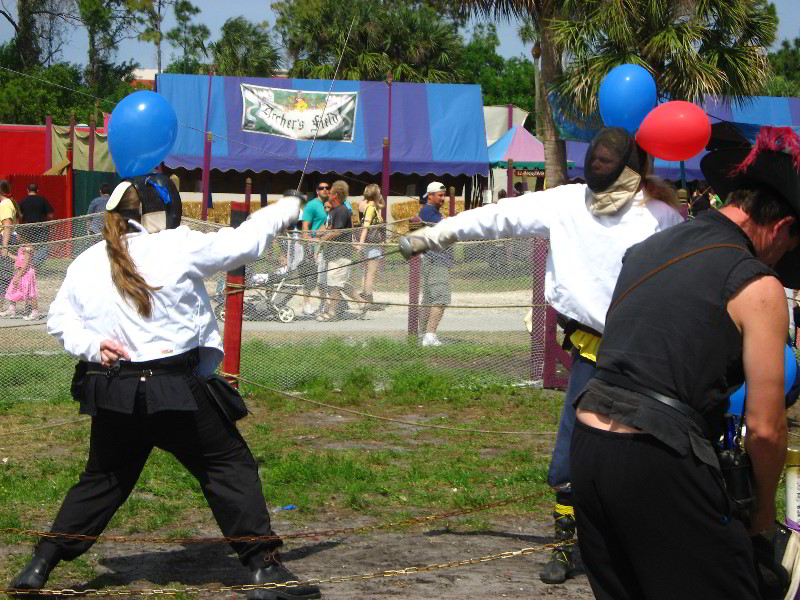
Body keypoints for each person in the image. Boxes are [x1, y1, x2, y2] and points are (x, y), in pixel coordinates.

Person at [8, 176, 321, 600]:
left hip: (115, 390)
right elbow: (246, 243)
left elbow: (59, 320)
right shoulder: (178, 245)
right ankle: (264, 570)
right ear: (161, 213)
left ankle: (41, 562)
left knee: (103, 479)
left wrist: (90, 345)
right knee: (229, 467)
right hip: (174, 391)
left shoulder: (86, 259)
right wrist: (288, 206)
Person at [398, 128, 683, 582]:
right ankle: (568, 545)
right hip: (592, 357)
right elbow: (497, 217)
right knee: (570, 459)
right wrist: (434, 236)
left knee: (643, 455)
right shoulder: (567, 202)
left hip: (649, 360)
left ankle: (640, 543)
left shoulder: (663, 218)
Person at [570, 126, 800, 599]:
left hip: (589, 445)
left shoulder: (650, 247)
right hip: (658, 457)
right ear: (780, 228)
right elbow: (765, 428)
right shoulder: (755, 283)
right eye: (788, 251)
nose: (780, 264)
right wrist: (757, 519)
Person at [316, 180, 364, 321]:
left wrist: (324, 238)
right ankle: (362, 302)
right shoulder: (332, 211)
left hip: (340, 255)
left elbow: (337, 232)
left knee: (335, 285)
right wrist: (319, 233)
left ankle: (332, 313)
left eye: (330, 192)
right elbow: (329, 228)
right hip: (331, 254)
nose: (328, 194)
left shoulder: (342, 211)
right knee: (336, 282)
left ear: (335, 195)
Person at [418, 181, 453, 347]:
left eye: (443, 195)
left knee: (429, 299)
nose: (443, 198)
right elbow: (444, 230)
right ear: (430, 196)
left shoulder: (433, 211)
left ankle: (422, 334)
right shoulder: (428, 212)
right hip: (436, 261)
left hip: (435, 260)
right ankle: (429, 336)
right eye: (440, 195)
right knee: (440, 299)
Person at [300, 180, 330, 316]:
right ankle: (306, 304)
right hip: (314, 245)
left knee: (325, 277)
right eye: (321, 188)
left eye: (327, 188)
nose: (324, 190)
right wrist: (309, 242)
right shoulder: (311, 205)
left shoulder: (331, 204)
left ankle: (324, 303)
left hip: (328, 245)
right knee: (311, 276)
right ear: (317, 191)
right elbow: (305, 226)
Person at [355, 184, 385, 310]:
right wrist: (360, 243)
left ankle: (365, 294)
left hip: (370, 244)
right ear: (376, 194)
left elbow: (381, 203)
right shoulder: (371, 209)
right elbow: (366, 227)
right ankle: (368, 299)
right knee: (370, 274)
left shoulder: (366, 205)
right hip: (372, 245)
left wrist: (377, 195)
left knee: (366, 272)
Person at [0, 233, 39, 319]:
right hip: (19, 272)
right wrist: (9, 254)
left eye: (18, 234)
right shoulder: (22, 247)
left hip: (25, 272)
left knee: (30, 292)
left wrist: (18, 276)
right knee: (13, 288)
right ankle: (11, 309)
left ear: (23, 236)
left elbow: (26, 264)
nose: (17, 236)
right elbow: (19, 258)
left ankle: (34, 312)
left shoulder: (28, 248)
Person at [20, 183, 54, 267]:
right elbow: (50, 215)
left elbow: (20, 216)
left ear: (27, 190)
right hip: (41, 228)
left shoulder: (23, 201)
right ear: (37, 190)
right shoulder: (42, 200)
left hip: (27, 229)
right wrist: (47, 222)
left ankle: (28, 265)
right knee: (43, 247)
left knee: (29, 247)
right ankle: (35, 265)